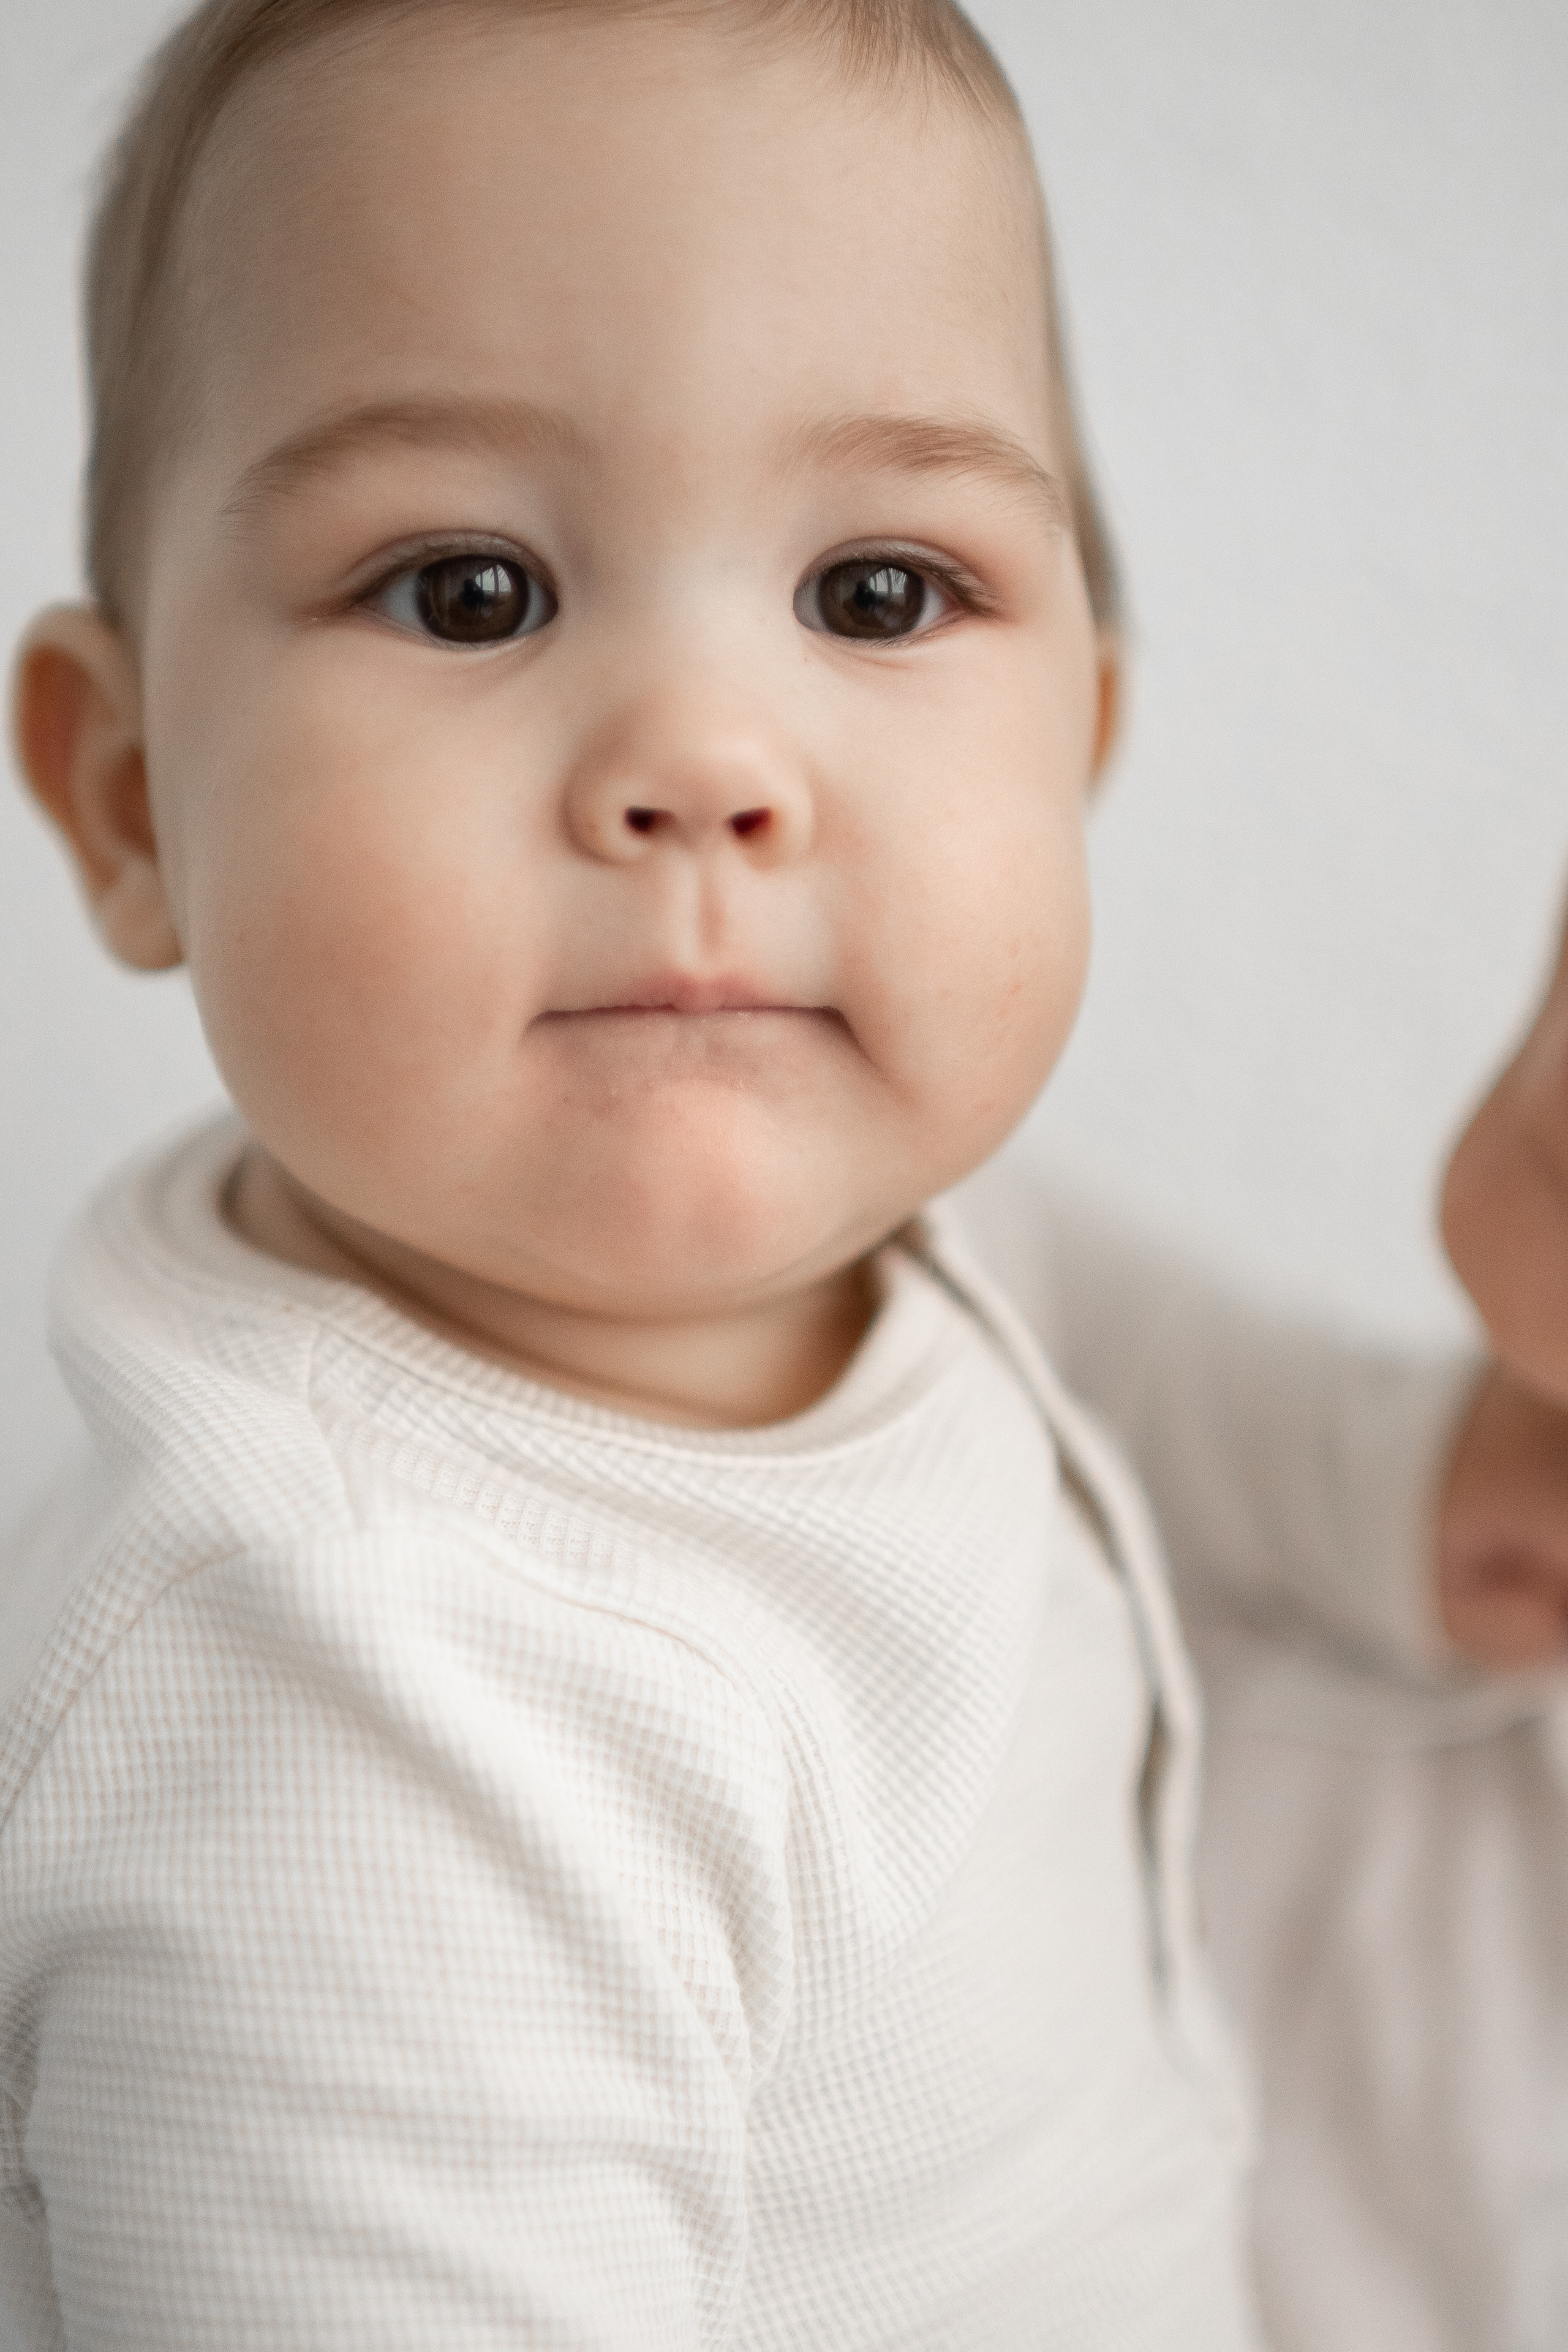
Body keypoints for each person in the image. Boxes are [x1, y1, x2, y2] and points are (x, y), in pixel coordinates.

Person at [1, 2, 1562, 2343]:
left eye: (879, 595)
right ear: (130, 805)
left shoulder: (903, 1233)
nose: (709, 762)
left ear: (1080, 746)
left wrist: (1424, 1490)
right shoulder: (357, 1730)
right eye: (468, 590)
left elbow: (1161, 1384)